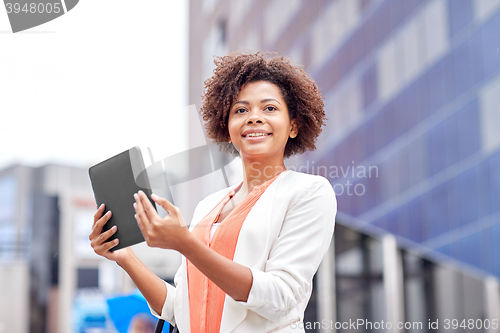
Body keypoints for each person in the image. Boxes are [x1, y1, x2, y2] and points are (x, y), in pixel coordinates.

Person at [89, 52, 337, 332]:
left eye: (269, 108)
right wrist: (124, 257)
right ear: (227, 126)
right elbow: (176, 308)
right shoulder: (208, 206)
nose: (254, 118)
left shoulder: (309, 192)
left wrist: (186, 244)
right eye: (241, 110)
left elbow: (280, 296)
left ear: (294, 125)